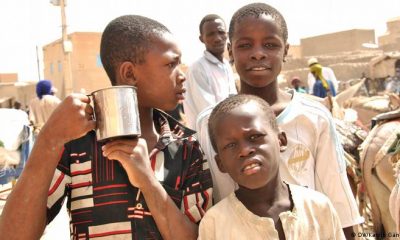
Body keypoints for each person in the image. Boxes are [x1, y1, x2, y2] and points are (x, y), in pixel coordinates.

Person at [0, 15, 212, 240]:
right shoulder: (77, 144)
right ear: (129, 73)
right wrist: (48, 139)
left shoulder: (188, 146)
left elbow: (198, 237)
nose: (182, 75)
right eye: (171, 64)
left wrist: (148, 183)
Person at [195, 3, 363, 239]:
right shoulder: (209, 123)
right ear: (230, 52)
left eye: (270, 44)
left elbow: (340, 209)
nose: (258, 53)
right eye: (245, 45)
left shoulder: (314, 117)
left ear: (286, 50)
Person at [198, 94, 345, 239]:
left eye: (255, 137)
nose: (244, 150)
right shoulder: (215, 224)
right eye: (231, 145)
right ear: (220, 164)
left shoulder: (318, 208)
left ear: (281, 141)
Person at [183, 14, 237, 130]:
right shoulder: (197, 68)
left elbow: (233, 101)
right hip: (206, 139)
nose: (217, 38)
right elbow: (209, 113)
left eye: (221, 32)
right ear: (201, 39)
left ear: (227, 35)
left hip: (227, 132)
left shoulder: (226, 65)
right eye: (211, 34)